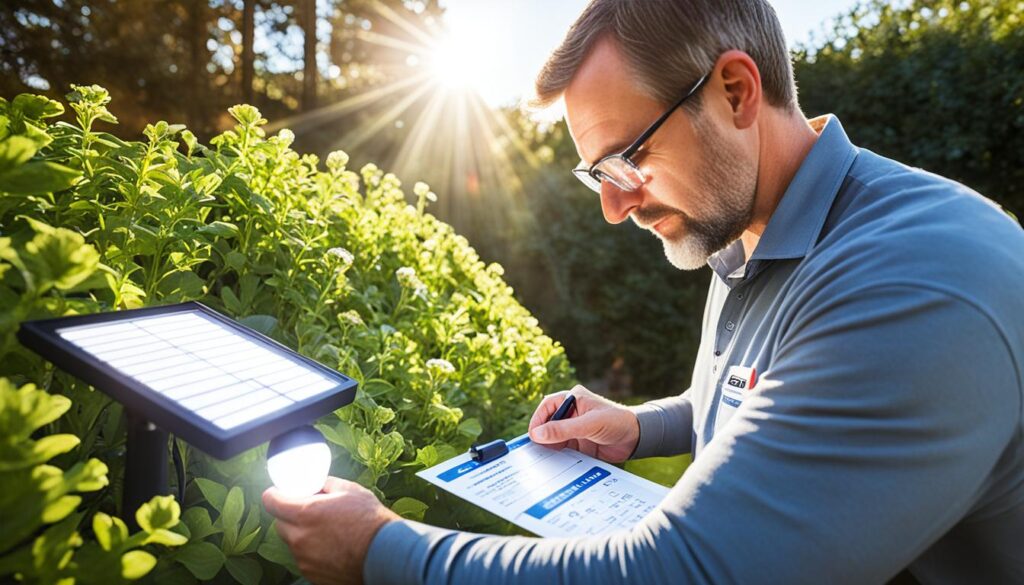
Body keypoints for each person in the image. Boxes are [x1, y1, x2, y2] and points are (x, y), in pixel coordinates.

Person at [262, 1, 1024, 583]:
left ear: (734, 90)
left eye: (627, 159)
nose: (613, 205)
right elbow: (773, 400)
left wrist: (380, 549)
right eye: (597, 172)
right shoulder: (754, 233)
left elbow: (692, 570)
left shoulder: (916, 279)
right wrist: (642, 427)